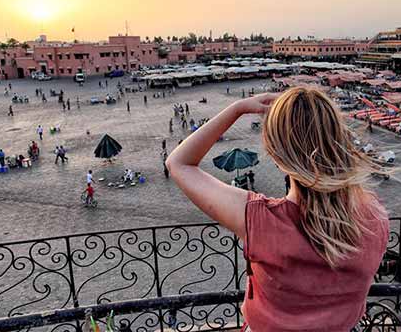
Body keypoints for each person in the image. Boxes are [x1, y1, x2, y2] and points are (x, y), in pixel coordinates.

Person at [165, 87, 389, 331]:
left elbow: (179, 163)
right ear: (339, 141)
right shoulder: (375, 216)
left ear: (275, 155)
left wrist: (237, 108)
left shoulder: (261, 221)